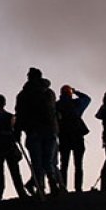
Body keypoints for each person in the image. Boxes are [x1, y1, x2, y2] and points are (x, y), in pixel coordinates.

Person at [15, 67, 64, 195]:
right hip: (50, 130)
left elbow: (20, 115)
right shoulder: (49, 92)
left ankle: (40, 187)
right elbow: (53, 110)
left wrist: (17, 132)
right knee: (48, 160)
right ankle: (52, 183)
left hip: (34, 131)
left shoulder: (24, 95)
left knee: (37, 161)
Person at [0, 94, 28, 201]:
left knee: (1, 172)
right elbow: (13, 130)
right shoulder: (9, 116)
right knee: (13, 171)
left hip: (0, 146)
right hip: (7, 146)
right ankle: (21, 193)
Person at [56, 85, 91, 192]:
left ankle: (63, 187)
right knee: (78, 165)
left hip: (63, 137)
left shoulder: (56, 105)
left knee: (64, 165)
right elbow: (87, 99)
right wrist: (76, 92)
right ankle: (78, 188)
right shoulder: (77, 104)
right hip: (77, 136)